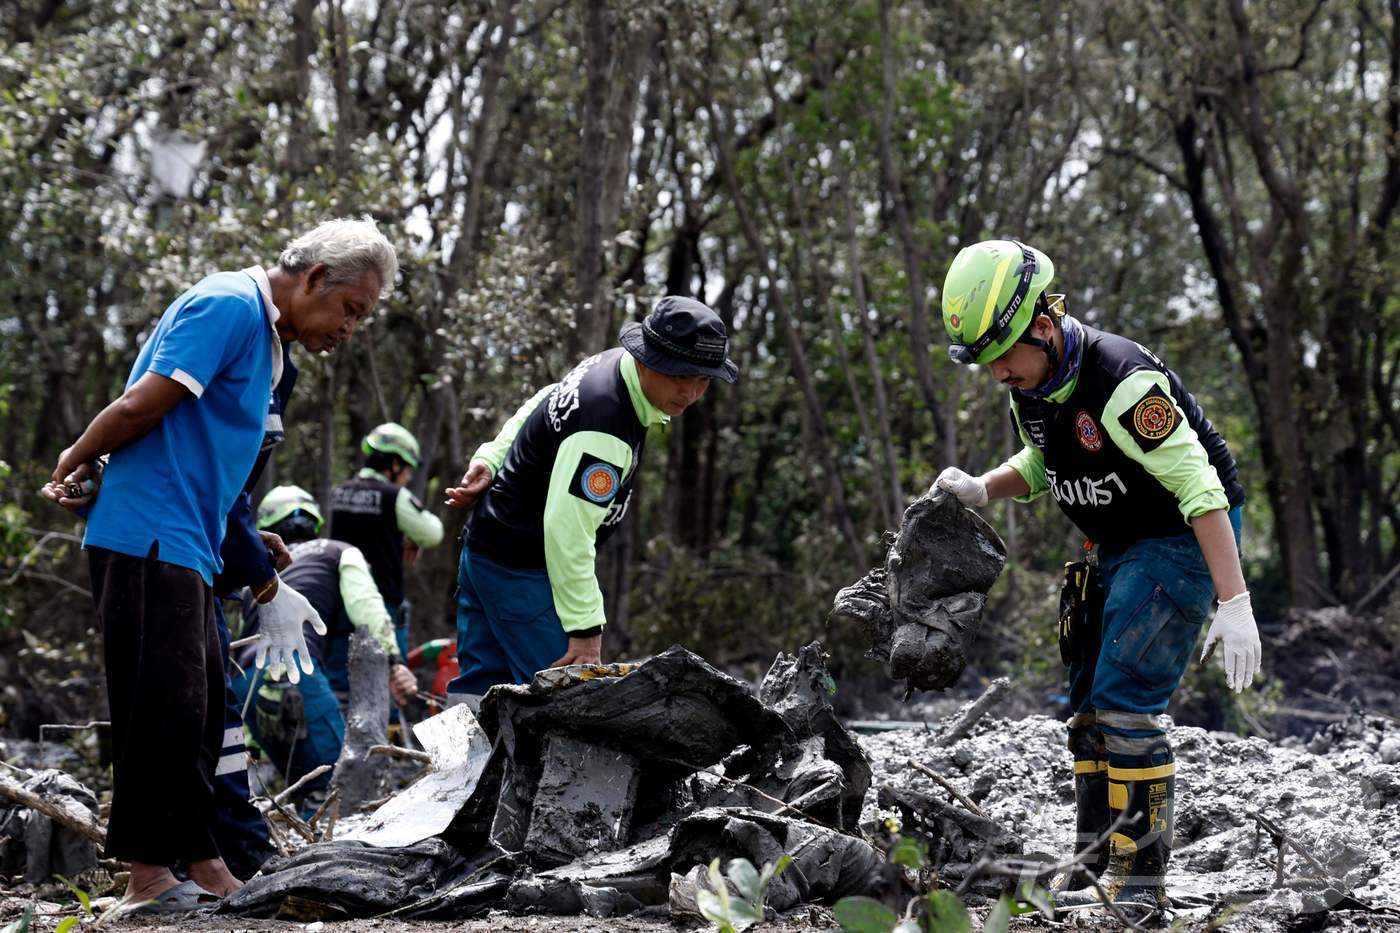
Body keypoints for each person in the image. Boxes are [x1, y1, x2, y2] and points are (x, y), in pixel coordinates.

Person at [41, 218, 397, 911]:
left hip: (190, 542)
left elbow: (211, 458)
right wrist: (77, 454)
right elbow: (145, 402)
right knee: (162, 705)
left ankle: (204, 862)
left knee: (202, 710)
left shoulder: (273, 353)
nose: (349, 330)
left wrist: (249, 538)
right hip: (147, 531)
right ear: (316, 278)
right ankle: (148, 878)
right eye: (350, 310)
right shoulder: (228, 305)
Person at [932, 239, 1261, 917]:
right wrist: (981, 489)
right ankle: (1091, 856)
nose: (997, 375)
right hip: (1112, 540)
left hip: (1180, 538)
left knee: (1125, 703)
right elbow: (1043, 459)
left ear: (1044, 329)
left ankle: (1140, 881)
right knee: (1084, 705)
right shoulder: (1031, 386)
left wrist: (1234, 599)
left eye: (1003, 357)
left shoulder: (1123, 382)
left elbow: (1199, 488)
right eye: (988, 364)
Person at [442, 296, 738, 709]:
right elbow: (566, 532)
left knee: (480, 690)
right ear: (648, 359)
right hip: (523, 573)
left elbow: (545, 396)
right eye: (680, 376)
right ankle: (502, 774)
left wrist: (492, 456)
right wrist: (585, 629)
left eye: (703, 380)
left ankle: (460, 773)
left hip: (486, 548)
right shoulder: (606, 431)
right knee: (562, 707)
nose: (690, 391)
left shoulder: (611, 364)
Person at [231, 486, 416, 815]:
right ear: (315, 522)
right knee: (337, 784)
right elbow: (367, 608)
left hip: (244, 681)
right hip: (293, 672)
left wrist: (253, 743)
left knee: (308, 782)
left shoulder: (255, 578)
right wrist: (394, 661)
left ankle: (300, 850)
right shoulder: (339, 550)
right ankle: (317, 860)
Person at [329, 423, 444, 660]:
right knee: (388, 681)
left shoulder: (340, 491)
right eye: (408, 469)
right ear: (394, 464)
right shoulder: (394, 497)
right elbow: (434, 533)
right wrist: (413, 536)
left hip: (340, 604)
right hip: (382, 606)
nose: (409, 476)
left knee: (339, 679)